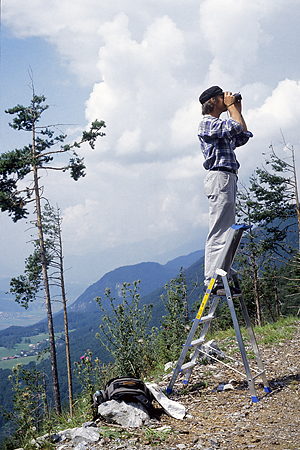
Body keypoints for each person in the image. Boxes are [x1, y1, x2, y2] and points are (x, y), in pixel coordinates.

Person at [198, 85, 253, 295]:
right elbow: (235, 128)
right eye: (222, 97)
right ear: (212, 101)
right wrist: (233, 110)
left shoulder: (222, 123)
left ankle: (222, 274)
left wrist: (237, 110)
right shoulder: (206, 124)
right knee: (219, 229)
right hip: (219, 176)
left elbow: (243, 136)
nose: (226, 98)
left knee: (227, 229)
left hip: (227, 177)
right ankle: (212, 280)